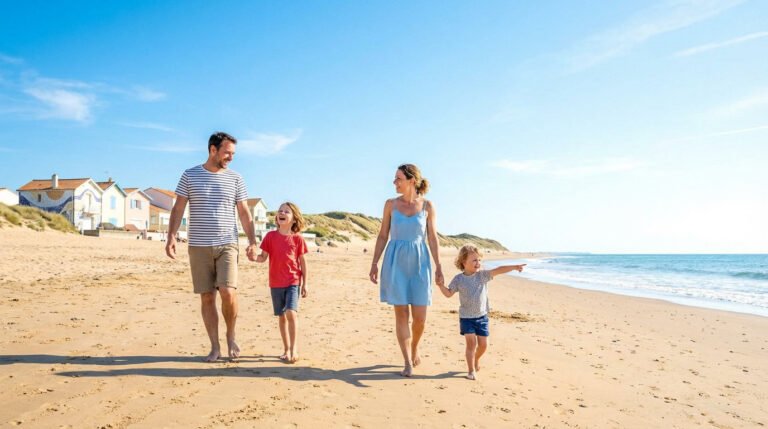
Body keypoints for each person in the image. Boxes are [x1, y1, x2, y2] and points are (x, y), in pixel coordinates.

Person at [165, 132, 258, 362]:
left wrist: (253, 241)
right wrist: (171, 236)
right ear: (213, 150)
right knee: (207, 297)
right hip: (198, 245)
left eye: (233, 153)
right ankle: (215, 346)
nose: (231, 157)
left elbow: (244, 213)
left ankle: (231, 335)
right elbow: (178, 209)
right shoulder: (190, 175)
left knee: (228, 291)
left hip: (228, 243)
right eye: (227, 152)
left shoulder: (236, 178)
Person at [369, 164, 444, 377]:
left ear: (412, 180)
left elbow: (432, 237)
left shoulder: (428, 206)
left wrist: (439, 266)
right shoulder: (390, 205)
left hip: (420, 263)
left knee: (420, 318)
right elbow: (383, 235)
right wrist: (375, 262)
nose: (394, 182)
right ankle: (407, 361)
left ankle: (415, 347)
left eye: (398, 178)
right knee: (401, 314)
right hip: (395, 263)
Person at [436, 244, 526, 380]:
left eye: (479, 260)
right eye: (474, 260)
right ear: (463, 262)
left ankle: (476, 359)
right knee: (471, 344)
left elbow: (499, 270)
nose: (478, 263)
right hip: (466, 317)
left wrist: (514, 267)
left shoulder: (482, 276)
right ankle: (471, 370)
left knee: (483, 346)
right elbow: (448, 294)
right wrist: (440, 285)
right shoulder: (458, 279)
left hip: (482, 317)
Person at [253, 202, 309, 363]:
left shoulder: (297, 239)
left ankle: (294, 348)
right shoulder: (270, 237)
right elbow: (263, 258)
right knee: (282, 316)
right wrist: (253, 257)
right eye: (280, 211)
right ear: (277, 217)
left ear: (293, 219)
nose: (282, 213)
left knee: (291, 312)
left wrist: (305, 284)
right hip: (275, 283)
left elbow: (303, 263)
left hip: (293, 281)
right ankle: (286, 349)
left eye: (286, 211)